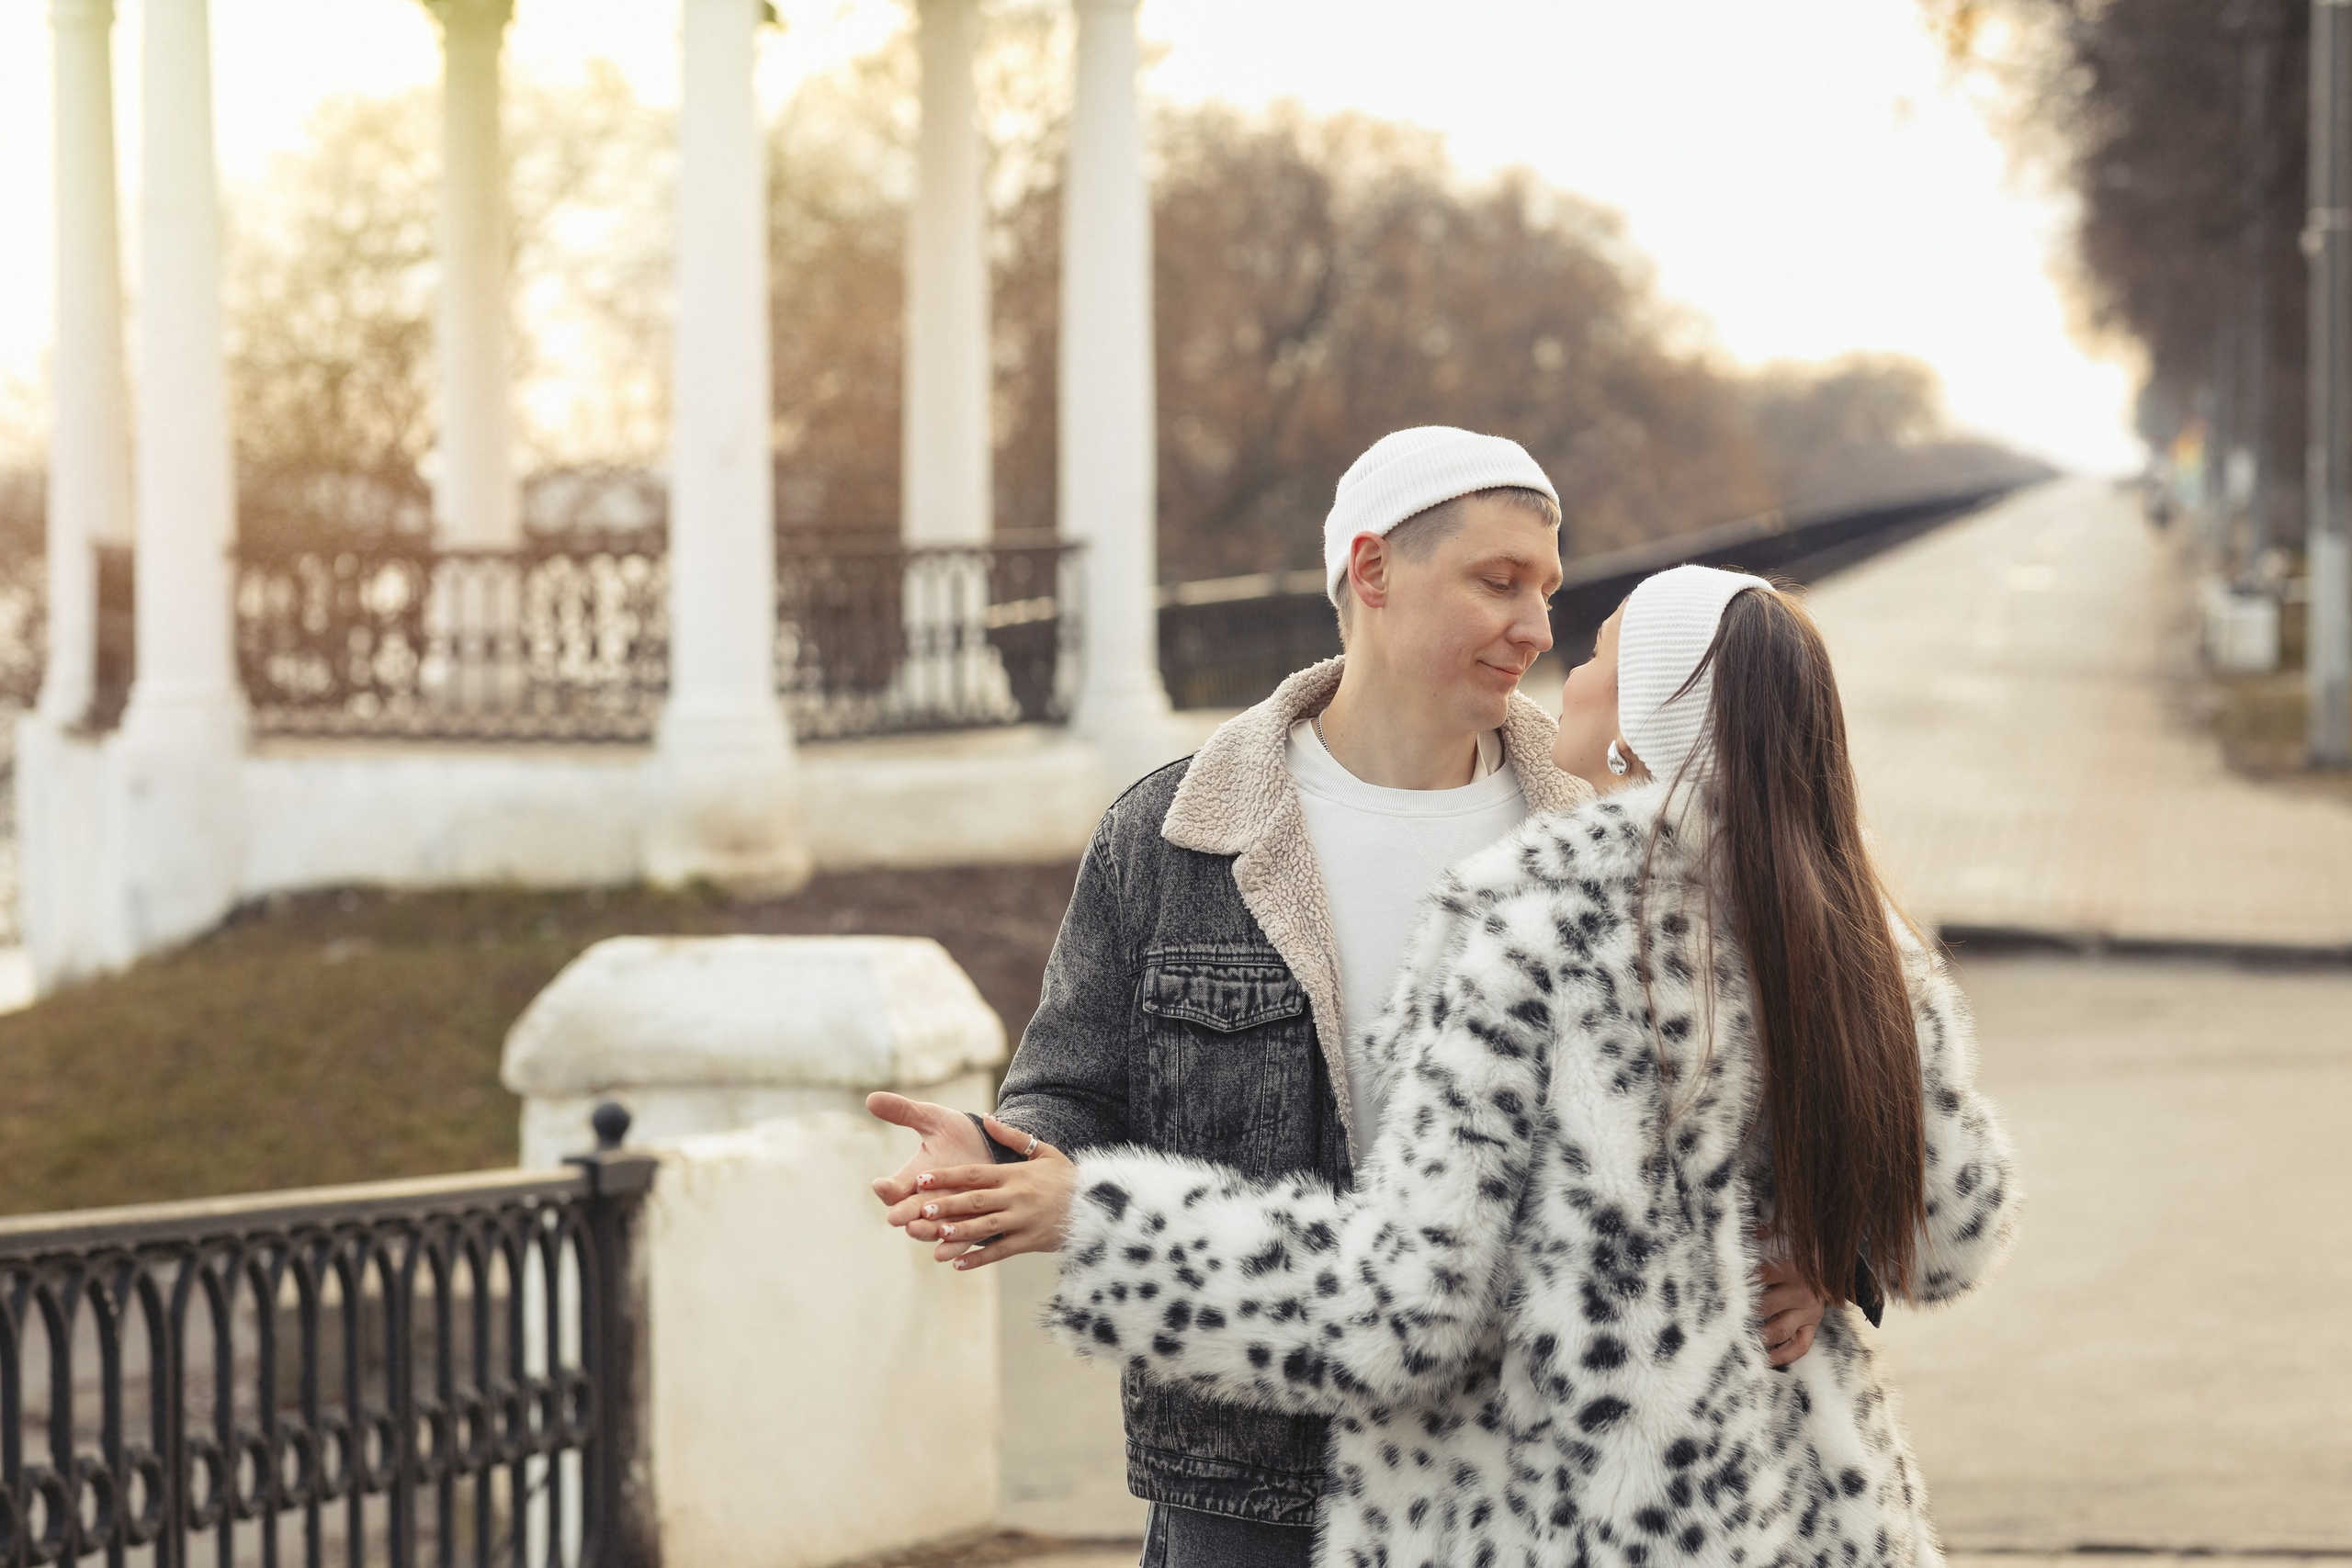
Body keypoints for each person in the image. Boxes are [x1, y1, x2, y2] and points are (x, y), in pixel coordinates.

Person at [904, 564, 2019, 1564]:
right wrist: (1817, 1252)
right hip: (1810, 1517)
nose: (1565, 670)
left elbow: (1400, 1310)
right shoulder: (1851, 922)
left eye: (1601, 656)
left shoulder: (1537, 922)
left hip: (1557, 1522)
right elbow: (1949, 1230)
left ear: (1649, 717)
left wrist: (1099, 1221)